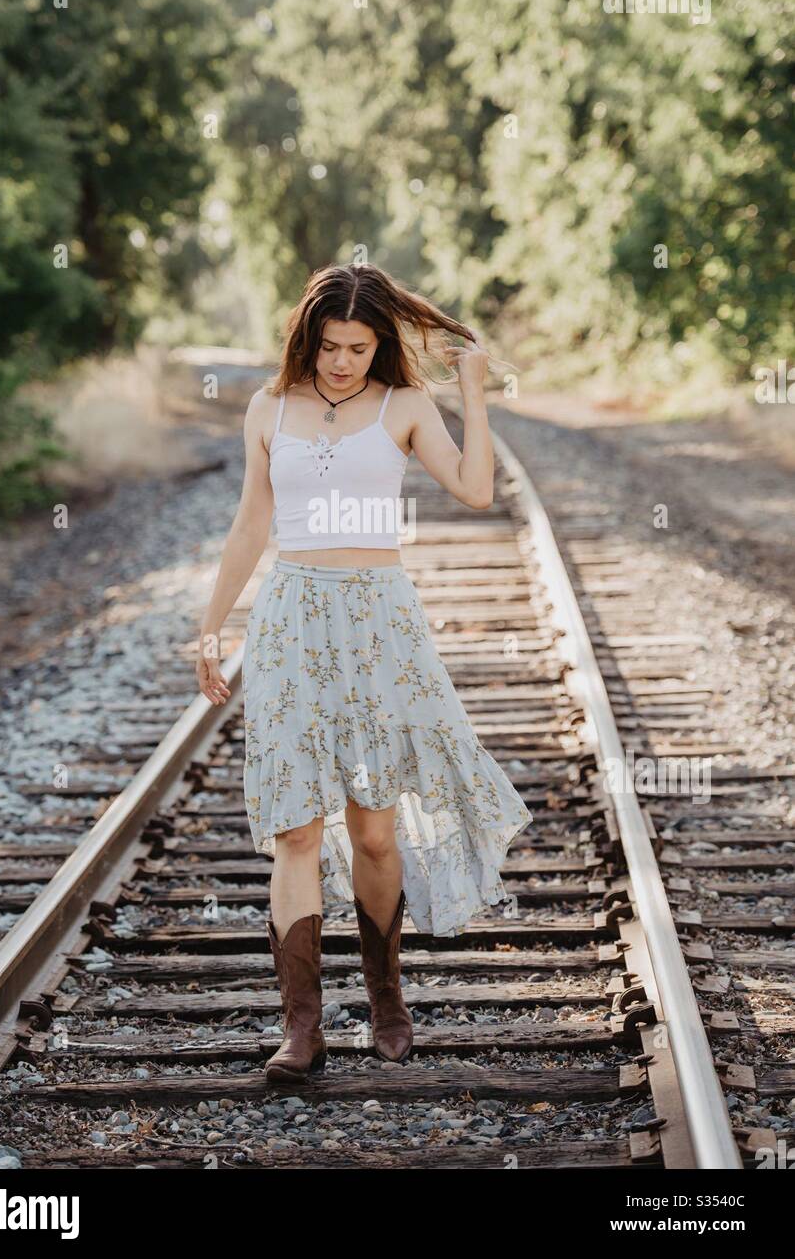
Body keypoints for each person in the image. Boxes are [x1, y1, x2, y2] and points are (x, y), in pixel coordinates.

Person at [196, 262, 533, 1082]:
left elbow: (476, 489)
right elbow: (251, 522)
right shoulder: (268, 408)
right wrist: (211, 626)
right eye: (327, 344)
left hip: (379, 624)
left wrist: (473, 394)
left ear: (379, 344)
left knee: (374, 829)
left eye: (356, 346)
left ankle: (385, 994)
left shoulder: (405, 406)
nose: (340, 361)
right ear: (304, 337)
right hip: (290, 621)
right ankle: (301, 1031)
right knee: (295, 829)